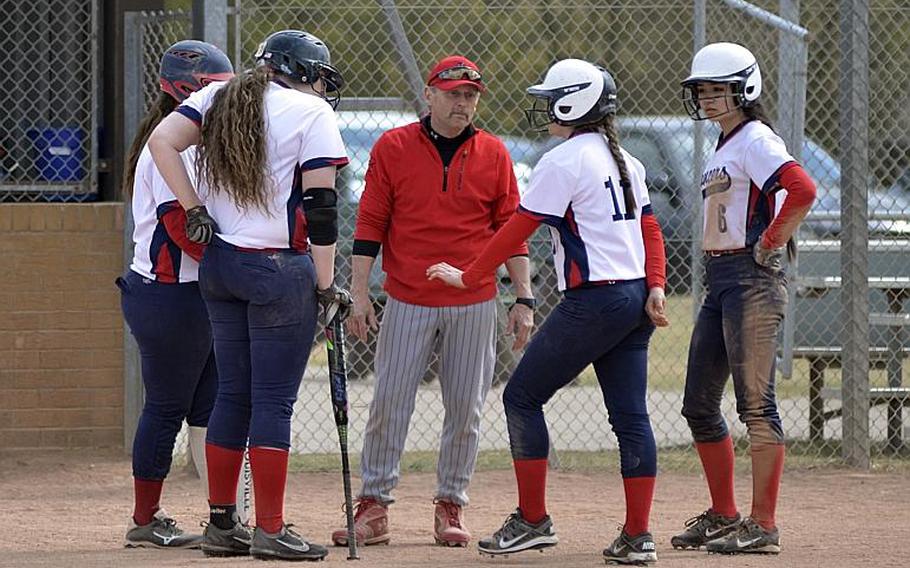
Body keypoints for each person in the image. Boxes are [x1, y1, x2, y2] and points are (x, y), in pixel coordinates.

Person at [428, 58, 669, 565]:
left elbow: (518, 229)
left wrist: (469, 275)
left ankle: (533, 520)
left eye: (551, 98)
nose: (544, 108)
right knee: (630, 416)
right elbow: (649, 229)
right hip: (631, 299)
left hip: (596, 301)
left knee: (521, 397)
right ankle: (638, 536)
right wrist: (657, 286)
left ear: (573, 102)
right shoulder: (624, 156)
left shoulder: (565, 159)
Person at [147, 30, 351, 561]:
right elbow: (322, 207)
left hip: (220, 264)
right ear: (301, 70)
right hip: (278, 269)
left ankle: (221, 523)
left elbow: (161, 142)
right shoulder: (311, 114)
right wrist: (327, 285)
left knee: (233, 394)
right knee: (273, 400)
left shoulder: (218, 95)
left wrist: (193, 208)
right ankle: (270, 527)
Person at [331, 55, 534, 548]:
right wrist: (359, 295)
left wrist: (523, 297)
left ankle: (451, 503)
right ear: (430, 95)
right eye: (453, 93)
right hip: (407, 296)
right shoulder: (394, 146)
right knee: (389, 401)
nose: (462, 102)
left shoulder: (494, 153)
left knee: (465, 407)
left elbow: (513, 233)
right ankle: (375, 504)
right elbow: (370, 224)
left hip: (474, 299)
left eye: (470, 95)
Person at [670, 42, 817, 555]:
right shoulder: (727, 141)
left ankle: (763, 524)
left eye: (719, 91)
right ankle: (725, 514)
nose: (708, 100)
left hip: (751, 277)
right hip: (721, 277)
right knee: (698, 404)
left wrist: (771, 241)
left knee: (756, 404)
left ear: (745, 89)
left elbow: (801, 188)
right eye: (702, 92)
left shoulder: (754, 137)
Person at [119, 39, 235, 550]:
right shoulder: (167, 150)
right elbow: (188, 233)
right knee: (166, 406)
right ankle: (145, 520)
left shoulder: (197, 145)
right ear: (185, 91)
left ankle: (223, 518)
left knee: (210, 406)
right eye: (209, 90)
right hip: (169, 294)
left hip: (196, 294)